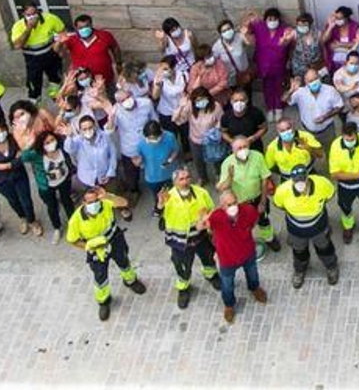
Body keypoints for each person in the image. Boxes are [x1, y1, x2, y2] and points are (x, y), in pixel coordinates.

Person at [66, 186, 146, 321]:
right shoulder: (76, 220)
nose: (95, 204)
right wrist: (88, 247)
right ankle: (104, 301)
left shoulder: (105, 203)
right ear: (83, 203)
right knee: (100, 276)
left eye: (96, 200)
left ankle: (131, 281)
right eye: (90, 202)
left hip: (115, 240)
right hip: (97, 250)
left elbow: (124, 202)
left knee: (124, 262)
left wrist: (107, 195)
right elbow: (72, 240)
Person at [158, 167, 219, 308]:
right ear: (174, 182)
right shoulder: (168, 197)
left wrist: (208, 224)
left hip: (201, 237)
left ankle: (211, 275)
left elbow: (211, 210)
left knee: (209, 259)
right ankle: (183, 288)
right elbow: (157, 216)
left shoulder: (201, 192)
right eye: (181, 179)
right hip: (180, 243)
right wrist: (160, 205)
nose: (185, 182)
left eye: (187, 178)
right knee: (183, 267)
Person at [271, 165, 339, 288]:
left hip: (319, 228)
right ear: (292, 180)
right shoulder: (282, 191)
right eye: (296, 181)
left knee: (325, 248)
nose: (300, 184)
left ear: (308, 177)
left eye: (303, 179)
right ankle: (300, 270)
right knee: (299, 251)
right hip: (296, 231)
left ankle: (331, 267)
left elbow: (330, 195)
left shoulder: (322, 183)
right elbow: (279, 205)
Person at [205, 189, 267, 323]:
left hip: (247, 252)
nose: (233, 206)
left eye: (234, 203)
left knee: (253, 274)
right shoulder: (216, 217)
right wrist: (203, 218)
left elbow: (254, 220)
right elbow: (202, 227)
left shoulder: (248, 210)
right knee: (227, 284)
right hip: (227, 259)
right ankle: (229, 305)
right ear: (222, 206)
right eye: (229, 205)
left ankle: (255, 288)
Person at [217, 136, 278, 254]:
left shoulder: (257, 157)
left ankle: (270, 239)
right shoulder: (227, 163)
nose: (242, 150)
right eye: (239, 148)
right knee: (243, 226)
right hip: (240, 203)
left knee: (264, 221)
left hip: (258, 198)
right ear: (233, 150)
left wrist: (263, 202)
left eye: (245, 146)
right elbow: (223, 187)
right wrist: (230, 177)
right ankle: (247, 244)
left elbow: (264, 179)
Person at [0, 119, 41, 237]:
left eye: (2, 130)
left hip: (19, 176)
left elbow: (22, 157)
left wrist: (8, 165)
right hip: (2, 182)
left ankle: (32, 221)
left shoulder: (13, 139)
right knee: (13, 201)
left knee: (26, 200)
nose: (1, 134)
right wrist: (13, 161)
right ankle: (22, 218)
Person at [105, 86, 158, 214]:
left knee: (154, 170)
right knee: (131, 177)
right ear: (118, 103)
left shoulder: (146, 103)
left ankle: (158, 191)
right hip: (129, 149)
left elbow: (155, 120)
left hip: (148, 145)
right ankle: (134, 192)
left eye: (128, 97)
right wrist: (111, 119)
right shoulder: (116, 111)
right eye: (122, 100)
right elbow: (109, 131)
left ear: (132, 95)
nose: (127, 101)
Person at [24, 131, 77, 237]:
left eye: (52, 140)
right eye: (47, 142)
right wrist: (29, 145)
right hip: (47, 185)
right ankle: (57, 227)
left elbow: (71, 147)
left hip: (63, 180)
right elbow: (24, 157)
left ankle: (73, 223)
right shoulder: (37, 154)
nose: (51, 143)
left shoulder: (61, 148)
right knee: (52, 207)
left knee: (67, 202)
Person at [10, 5, 66, 101]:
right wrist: (29, 28)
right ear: (23, 14)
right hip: (32, 59)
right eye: (28, 15)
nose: (32, 17)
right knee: (33, 84)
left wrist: (59, 45)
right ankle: (36, 103)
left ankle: (57, 98)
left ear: (38, 12)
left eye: (34, 14)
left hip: (51, 55)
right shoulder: (18, 26)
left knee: (56, 79)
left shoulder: (50, 18)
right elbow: (17, 45)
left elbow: (62, 32)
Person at [175, 88, 226, 182]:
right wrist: (181, 107)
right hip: (196, 140)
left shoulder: (216, 106)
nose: (200, 102)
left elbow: (222, 120)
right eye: (197, 100)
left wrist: (215, 130)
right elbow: (177, 120)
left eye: (203, 99)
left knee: (217, 159)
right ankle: (203, 178)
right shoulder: (190, 106)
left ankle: (219, 175)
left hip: (212, 140)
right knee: (198, 161)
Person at [250, 8, 293, 112]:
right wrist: (250, 19)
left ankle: (279, 106)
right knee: (267, 87)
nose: (272, 21)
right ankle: (270, 106)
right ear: (265, 20)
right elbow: (246, 28)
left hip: (279, 65)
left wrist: (285, 40)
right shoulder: (259, 27)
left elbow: (290, 39)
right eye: (270, 19)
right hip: (264, 65)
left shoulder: (284, 30)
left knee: (279, 86)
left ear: (279, 20)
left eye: (275, 19)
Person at [60, 14, 121, 85]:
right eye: (81, 27)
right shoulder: (71, 40)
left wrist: (118, 63)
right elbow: (60, 53)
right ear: (76, 28)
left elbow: (115, 48)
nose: (84, 29)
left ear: (91, 25)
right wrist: (59, 42)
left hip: (106, 78)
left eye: (86, 26)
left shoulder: (105, 35)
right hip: (83, 82)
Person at [137, 120, 180, 218]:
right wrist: (138, 161)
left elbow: (175, 150)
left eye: (155, 138)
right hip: (152, 176)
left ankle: (175, 208)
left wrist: (170, 160)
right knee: (157, 195)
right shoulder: (141, 143)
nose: (153, 140)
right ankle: (159, 208)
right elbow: (139, 158)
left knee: (173, 193)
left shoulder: (169, 137)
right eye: (150, 138)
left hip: (170, 173)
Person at [66, 113, 118, 193]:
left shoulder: (105, 137)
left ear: (95, 126)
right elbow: (69, 149)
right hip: (86, 179)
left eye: (90, 127)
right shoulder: (78, 141)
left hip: (104, 177)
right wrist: (69, 137)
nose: (88, 131)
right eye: (84, 129)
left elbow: (112, 155)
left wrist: (110, 173)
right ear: (80, 130)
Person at [289, 68, 345, 139]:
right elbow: (285, 100)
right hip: (306, 131)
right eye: (310, 81)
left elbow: (340, 106)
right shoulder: (300, 92)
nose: (314, 82)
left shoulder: (330, 90)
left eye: (316, 79)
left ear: (319, 77)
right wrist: (291, 91)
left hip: (327, 130)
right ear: (305, 82)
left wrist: (325, 117)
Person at [265, 119, 324, 185]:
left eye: (288, 128)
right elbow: (271, 167)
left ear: (293, 127)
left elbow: (320, 154)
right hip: (288, 180)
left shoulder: (305, 137)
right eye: (282, 130)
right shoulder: (272, 147)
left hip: (309, 174)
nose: (286, 132)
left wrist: (309, 148)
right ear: (278, 132)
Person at [332, 51, 359, 131]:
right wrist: (350, 87)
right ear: (346, 62)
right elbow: (339, 87)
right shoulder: (339, 74)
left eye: (357, 63)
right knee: (349, 128)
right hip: (347, 107)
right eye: (351, 63)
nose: (354, 66)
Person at [211, 18, 254, 90]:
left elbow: (250, 43)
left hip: (244, 73)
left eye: (228, 29)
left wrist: (245, 33)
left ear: (232, 28)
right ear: (220, 34)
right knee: (234, 94)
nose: (227, 32)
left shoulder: (239, 37)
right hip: (231, 78)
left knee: (247, 91)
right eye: (224, 31)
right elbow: (214, 62)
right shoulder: (217, 46)